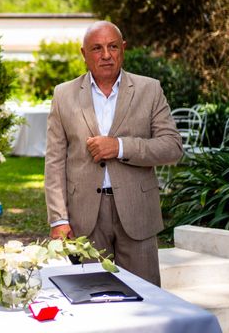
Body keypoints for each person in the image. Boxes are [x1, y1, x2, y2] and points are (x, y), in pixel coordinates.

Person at [44, 20, 182, 286]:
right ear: (84, 54)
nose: (106, 55)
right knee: (91, 299)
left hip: (138, 213)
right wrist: (58, 218)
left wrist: (119, 147)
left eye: (112, 47)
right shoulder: (64, 95)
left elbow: (172, 147)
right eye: (97, 48)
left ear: (123, 49)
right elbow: (54, 161)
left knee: (146, 299)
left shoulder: (149, 89)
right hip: (84, 217)